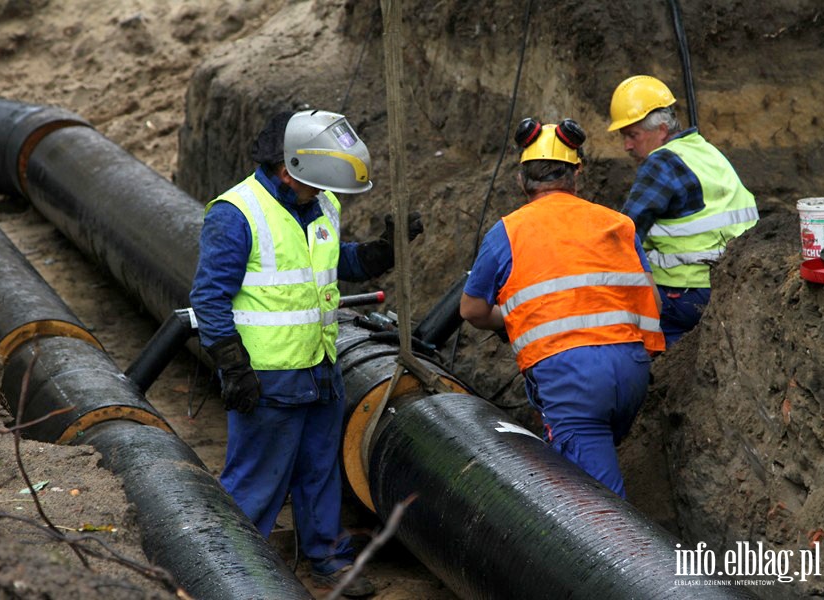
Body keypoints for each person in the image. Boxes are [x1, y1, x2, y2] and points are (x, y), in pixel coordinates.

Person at [190, 109, 422, 597]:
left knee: (320, 473)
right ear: (287, 170)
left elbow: (338, 261)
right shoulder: (237, 213)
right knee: (256, 482)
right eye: (315, 184)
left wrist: (382, 251)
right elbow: (209, 298)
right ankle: (233, 574)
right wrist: (233, 366)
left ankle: (327, 559)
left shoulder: (322, 204)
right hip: (267, 379)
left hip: (320, 369)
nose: (321, 192)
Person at [459, 118, 665, 498]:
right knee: (594, 450)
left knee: (594, 498)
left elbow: (471, 310)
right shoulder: (618, 223)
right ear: (577, 176)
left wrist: (512, 319)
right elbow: (649, 297)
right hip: (632, 369)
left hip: (572, 377)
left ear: (522, 180)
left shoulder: (508, 231)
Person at [607, 75, 759, 347]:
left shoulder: (661, 163)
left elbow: (624, 235)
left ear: (662, 130)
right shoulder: (705, 150)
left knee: (611, 317)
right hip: (732, 286)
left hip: (686, 296)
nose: (626, 146)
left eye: (633, 135)